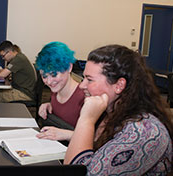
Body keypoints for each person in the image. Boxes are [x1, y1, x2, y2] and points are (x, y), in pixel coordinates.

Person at [63, 45, 173, 174]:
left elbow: (79, 173)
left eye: (89, 79)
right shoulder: (110, 112)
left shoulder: (143, 131)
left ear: (119, 85)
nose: (82, 85)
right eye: (83, 78)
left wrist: (86, 120)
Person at [31, 42, 84, 141]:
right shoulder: (56, 90)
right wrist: (49, 104)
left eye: (54, 74)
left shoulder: (84, 97)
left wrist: (67, 134)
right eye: (44, 76)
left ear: (69, 67)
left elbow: (96, 141)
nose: (49, 82)